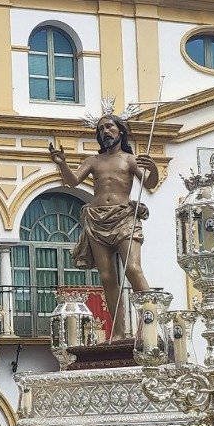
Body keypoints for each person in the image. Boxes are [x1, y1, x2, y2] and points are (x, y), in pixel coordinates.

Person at [46, 111, 161, 336]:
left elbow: (150, 184)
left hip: (125, 217)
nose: (105, 132)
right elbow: (72, 182)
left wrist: (154, 168)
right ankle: (118, 331)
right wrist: (62, 164)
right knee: (107, 277)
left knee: (133, 268)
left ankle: (151, 325)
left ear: (120, 131)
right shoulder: (93, 161)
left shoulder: (129, 160)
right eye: (101, 129)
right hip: (97, 219)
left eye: (109, 127)